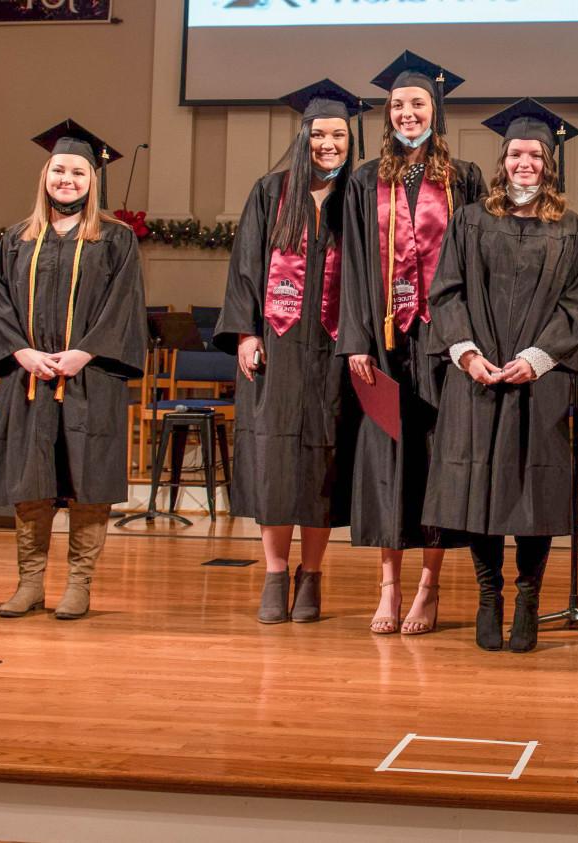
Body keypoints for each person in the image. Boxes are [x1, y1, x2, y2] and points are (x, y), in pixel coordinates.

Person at [425, 99, 578, 652]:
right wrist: (469, 354)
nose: (525, 163)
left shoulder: (573, 230)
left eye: (536, 155)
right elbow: (446, 293)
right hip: (479, 378)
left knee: (533, 498)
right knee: (480, 492)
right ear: (502, 160)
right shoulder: (471, 221)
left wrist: (538, 358)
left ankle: (527, 597)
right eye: (516, 153)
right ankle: (488, 594)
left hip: (538, 382)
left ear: (550, 163)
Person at [336, 52, 485, 635]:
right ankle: (389, 587)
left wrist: (469, 339)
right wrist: (357, 340)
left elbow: (474, 263)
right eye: (397, 105)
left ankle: (430, 587)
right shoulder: (363, 179)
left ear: (435, 111)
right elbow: (351, 263)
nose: (406, 112)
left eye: (417, 103)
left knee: (436, 462)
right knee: (387, 463)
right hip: (385, 336)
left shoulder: (465, 177)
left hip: (444, 340)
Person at [0, 121, 146, 621]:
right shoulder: (16, 239)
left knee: (86, 479)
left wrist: (85, 353)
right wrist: (20, 352)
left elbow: (123, 306)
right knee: (31, 481)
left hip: (89, 379)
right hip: (28, 377)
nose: (67, 179)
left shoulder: (115, 240)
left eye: (78, 171)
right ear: (44, 175)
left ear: (93, 180)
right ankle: (29, 583)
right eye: (59, 170)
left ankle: (79, 583)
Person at [216, 80, 363, 624]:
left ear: (352, 139)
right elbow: (245, 267)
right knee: (274, 463)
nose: (328, 144)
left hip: (333, 351)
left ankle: (313, 574)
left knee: (321, 464)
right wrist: (246, 333)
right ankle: (275, 573)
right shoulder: (269, 191)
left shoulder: (361, 196)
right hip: (274, 350)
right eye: (319, 134)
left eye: (338, 134)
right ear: (304, 137)